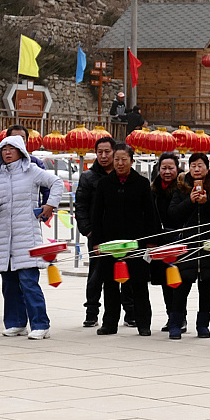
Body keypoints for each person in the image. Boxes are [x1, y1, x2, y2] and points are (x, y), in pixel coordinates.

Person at [0, 135, 63, 340]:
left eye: (11, 149)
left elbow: (57, 182)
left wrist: (50, 205)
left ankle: (41, 324)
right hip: (5, 236)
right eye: (3, 149)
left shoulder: (32, 170)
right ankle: (16, 323)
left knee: (29, 282)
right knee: (9, 283)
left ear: (20, 151)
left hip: (27, 235)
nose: (7, 153)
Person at [90, 144, 161, 336]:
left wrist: (151, 240)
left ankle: (143, 323)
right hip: (110, 242)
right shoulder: (105, 184)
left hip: (136, 241)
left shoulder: (141, 183)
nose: (120, 163)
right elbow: (97, 215)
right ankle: (110, 323)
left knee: (138, 283)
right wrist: (96, 241)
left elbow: (150, 213)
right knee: (110, 283)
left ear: (132, 161)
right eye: (117, 159)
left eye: (124, 159)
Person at [167, 152, 210, 339]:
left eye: (200, 165)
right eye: (193, 165)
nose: (196, 169)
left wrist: (207, 201)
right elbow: (173, 214)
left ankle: (203, 325)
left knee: (205, 287)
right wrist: (190, 201)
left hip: (209, 245)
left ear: (207, 167)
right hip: (187, 245)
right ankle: (176, 323)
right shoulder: (181, 187)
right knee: (181, 287)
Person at [150, 152, 182, 333]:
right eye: (164, 168)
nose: (167, 172)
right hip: (160, 240)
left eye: (171, 168)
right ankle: (171, 315)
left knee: (178, 281)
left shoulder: (183, 188)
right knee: (165, 281)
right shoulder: (153, 189)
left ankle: (179, 317)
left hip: (178, 239)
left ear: (177, 169)